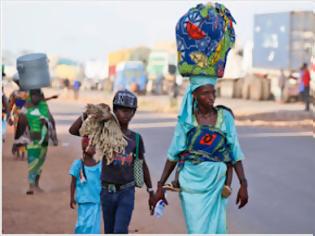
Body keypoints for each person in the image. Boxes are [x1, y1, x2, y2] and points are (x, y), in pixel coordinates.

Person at [154, 3, 248, 234]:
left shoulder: (224, 117)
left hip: (217, 184)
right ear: (194, 95)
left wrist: (243, 183)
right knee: (197, 230)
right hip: (191, 184)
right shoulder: (187, 121)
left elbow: (234, 151)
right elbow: (173, 153)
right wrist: (160, 186)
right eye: (205, 93)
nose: (211, 97)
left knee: (216, 229)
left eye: (213, 92)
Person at [69, 89, 155, 234]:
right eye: (121, 109)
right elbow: (74, 130)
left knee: (120, 230)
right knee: (109, 231)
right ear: (114, 110)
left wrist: (151, 191)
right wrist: (89, 112)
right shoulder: (102, 133)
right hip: (106, 192)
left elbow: (141, 164)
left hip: (126, 192)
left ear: (134, 112)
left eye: (129, 110)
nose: (125, 114)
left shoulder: (136, 139)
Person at [14, 89, 51, 194]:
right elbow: (21, 121)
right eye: (33, 96)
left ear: (40, 96)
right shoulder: (26, 105)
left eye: (37, 96)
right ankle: (31, 186)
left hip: (44, 140)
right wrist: (17, 141)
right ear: (30, 96)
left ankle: (36, 184)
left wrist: (45, 121)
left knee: (40, 162)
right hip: (31, 139)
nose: (35, 98)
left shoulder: (43, 105)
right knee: (32, 161)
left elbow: (49, 119)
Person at [69, 136, 102, 234]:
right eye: (92, 146)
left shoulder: (99, 165)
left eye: (94, 147)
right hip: (83, 201)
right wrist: (71, 197)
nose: (94, 149)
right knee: (81, 224)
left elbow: (103, 182)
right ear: (85, 147)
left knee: (93, 226)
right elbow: (73, 182)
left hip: (96, 200)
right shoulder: (78, 164)